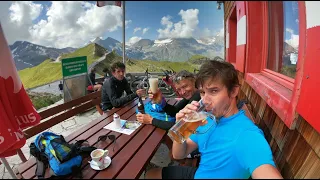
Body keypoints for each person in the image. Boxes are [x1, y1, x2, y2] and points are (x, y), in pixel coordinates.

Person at [145, 60, 283, 179]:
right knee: (151, 174)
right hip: (201, 173)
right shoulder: (207, 120)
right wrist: (180, 127)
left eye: (214, 91)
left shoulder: (246, 135)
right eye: (203, 92)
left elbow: (265, 169)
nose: (205, 100)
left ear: (234, 91)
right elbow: (179, 154)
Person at [136, 70, 200, 131]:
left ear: (194, 81)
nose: (182, 92)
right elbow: (175, 111)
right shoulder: (191, 96)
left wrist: (151, 120)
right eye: (179, 89)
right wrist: (161, 101)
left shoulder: (198, 96)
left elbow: (180, 126)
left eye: (185, 86)